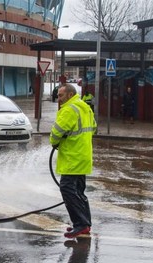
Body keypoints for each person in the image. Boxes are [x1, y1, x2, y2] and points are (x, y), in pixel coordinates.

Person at [49, 83, 97, 239]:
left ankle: (80, 224)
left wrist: (55, 142)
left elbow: (56, 132)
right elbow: (94, 128)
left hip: (72, 158)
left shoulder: (69, 109)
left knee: (68, 190)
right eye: (58, 95)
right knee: (79, 192)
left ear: (70, 95)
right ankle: (85, 223)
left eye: (61, 95)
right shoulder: (84, 106)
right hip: (83, 156)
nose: (59, 98)